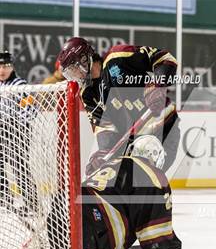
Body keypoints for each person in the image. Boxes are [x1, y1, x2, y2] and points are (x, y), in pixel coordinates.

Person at [82, 135, 200, 249]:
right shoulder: (153, 175)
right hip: (93, 228)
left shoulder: (110, 164)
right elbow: (155, 233)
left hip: (61, 214)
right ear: (158, 160)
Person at [57, 37, 180, 175]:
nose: (75, 77)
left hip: (163, 127)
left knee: (141, 179)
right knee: (126, 183)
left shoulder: (117, 58)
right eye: (70, 74)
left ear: (85, 60)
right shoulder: (87, 94)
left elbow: (164, 58)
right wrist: (103, 154)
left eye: (74, 70)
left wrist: (158, 84)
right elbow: (104, 128)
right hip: (135, 142)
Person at [0, 51, 38, 214]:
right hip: (1, 127)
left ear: (12, 67)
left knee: (19, 164)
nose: (2, 70)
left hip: (17, 129)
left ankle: (31, 202)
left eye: (6, 66)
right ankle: (4, 199)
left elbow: (31, 107)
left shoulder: (20, 84)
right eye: (0, 66)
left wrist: (18, 124)